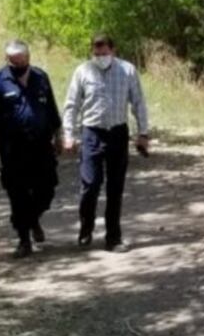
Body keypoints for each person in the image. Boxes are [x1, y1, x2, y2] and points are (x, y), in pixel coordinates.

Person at [61, 33, 149, 252]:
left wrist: (143, 133)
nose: (101, 57)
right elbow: (72, 104)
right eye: (96, 53)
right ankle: (86, 228)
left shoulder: (127, 70)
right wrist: (68, 135)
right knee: (90, 185)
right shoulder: (83, 71)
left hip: (118, 133)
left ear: (113, 51)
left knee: (115, 188)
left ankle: (113, 237)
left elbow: (138, 102)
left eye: (105, 53)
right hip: (91, 133)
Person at [0, 40, 63, 258]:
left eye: (22, 60)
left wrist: (58, 136)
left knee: (47, 189)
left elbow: (51, 108)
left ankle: (32, 219)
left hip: (41, 145)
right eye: (14, 61)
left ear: (29, 57)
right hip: (12, 148)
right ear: (7, 60)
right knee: (18, 194)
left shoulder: (40, 77)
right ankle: (24, 240)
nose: (19, 64)